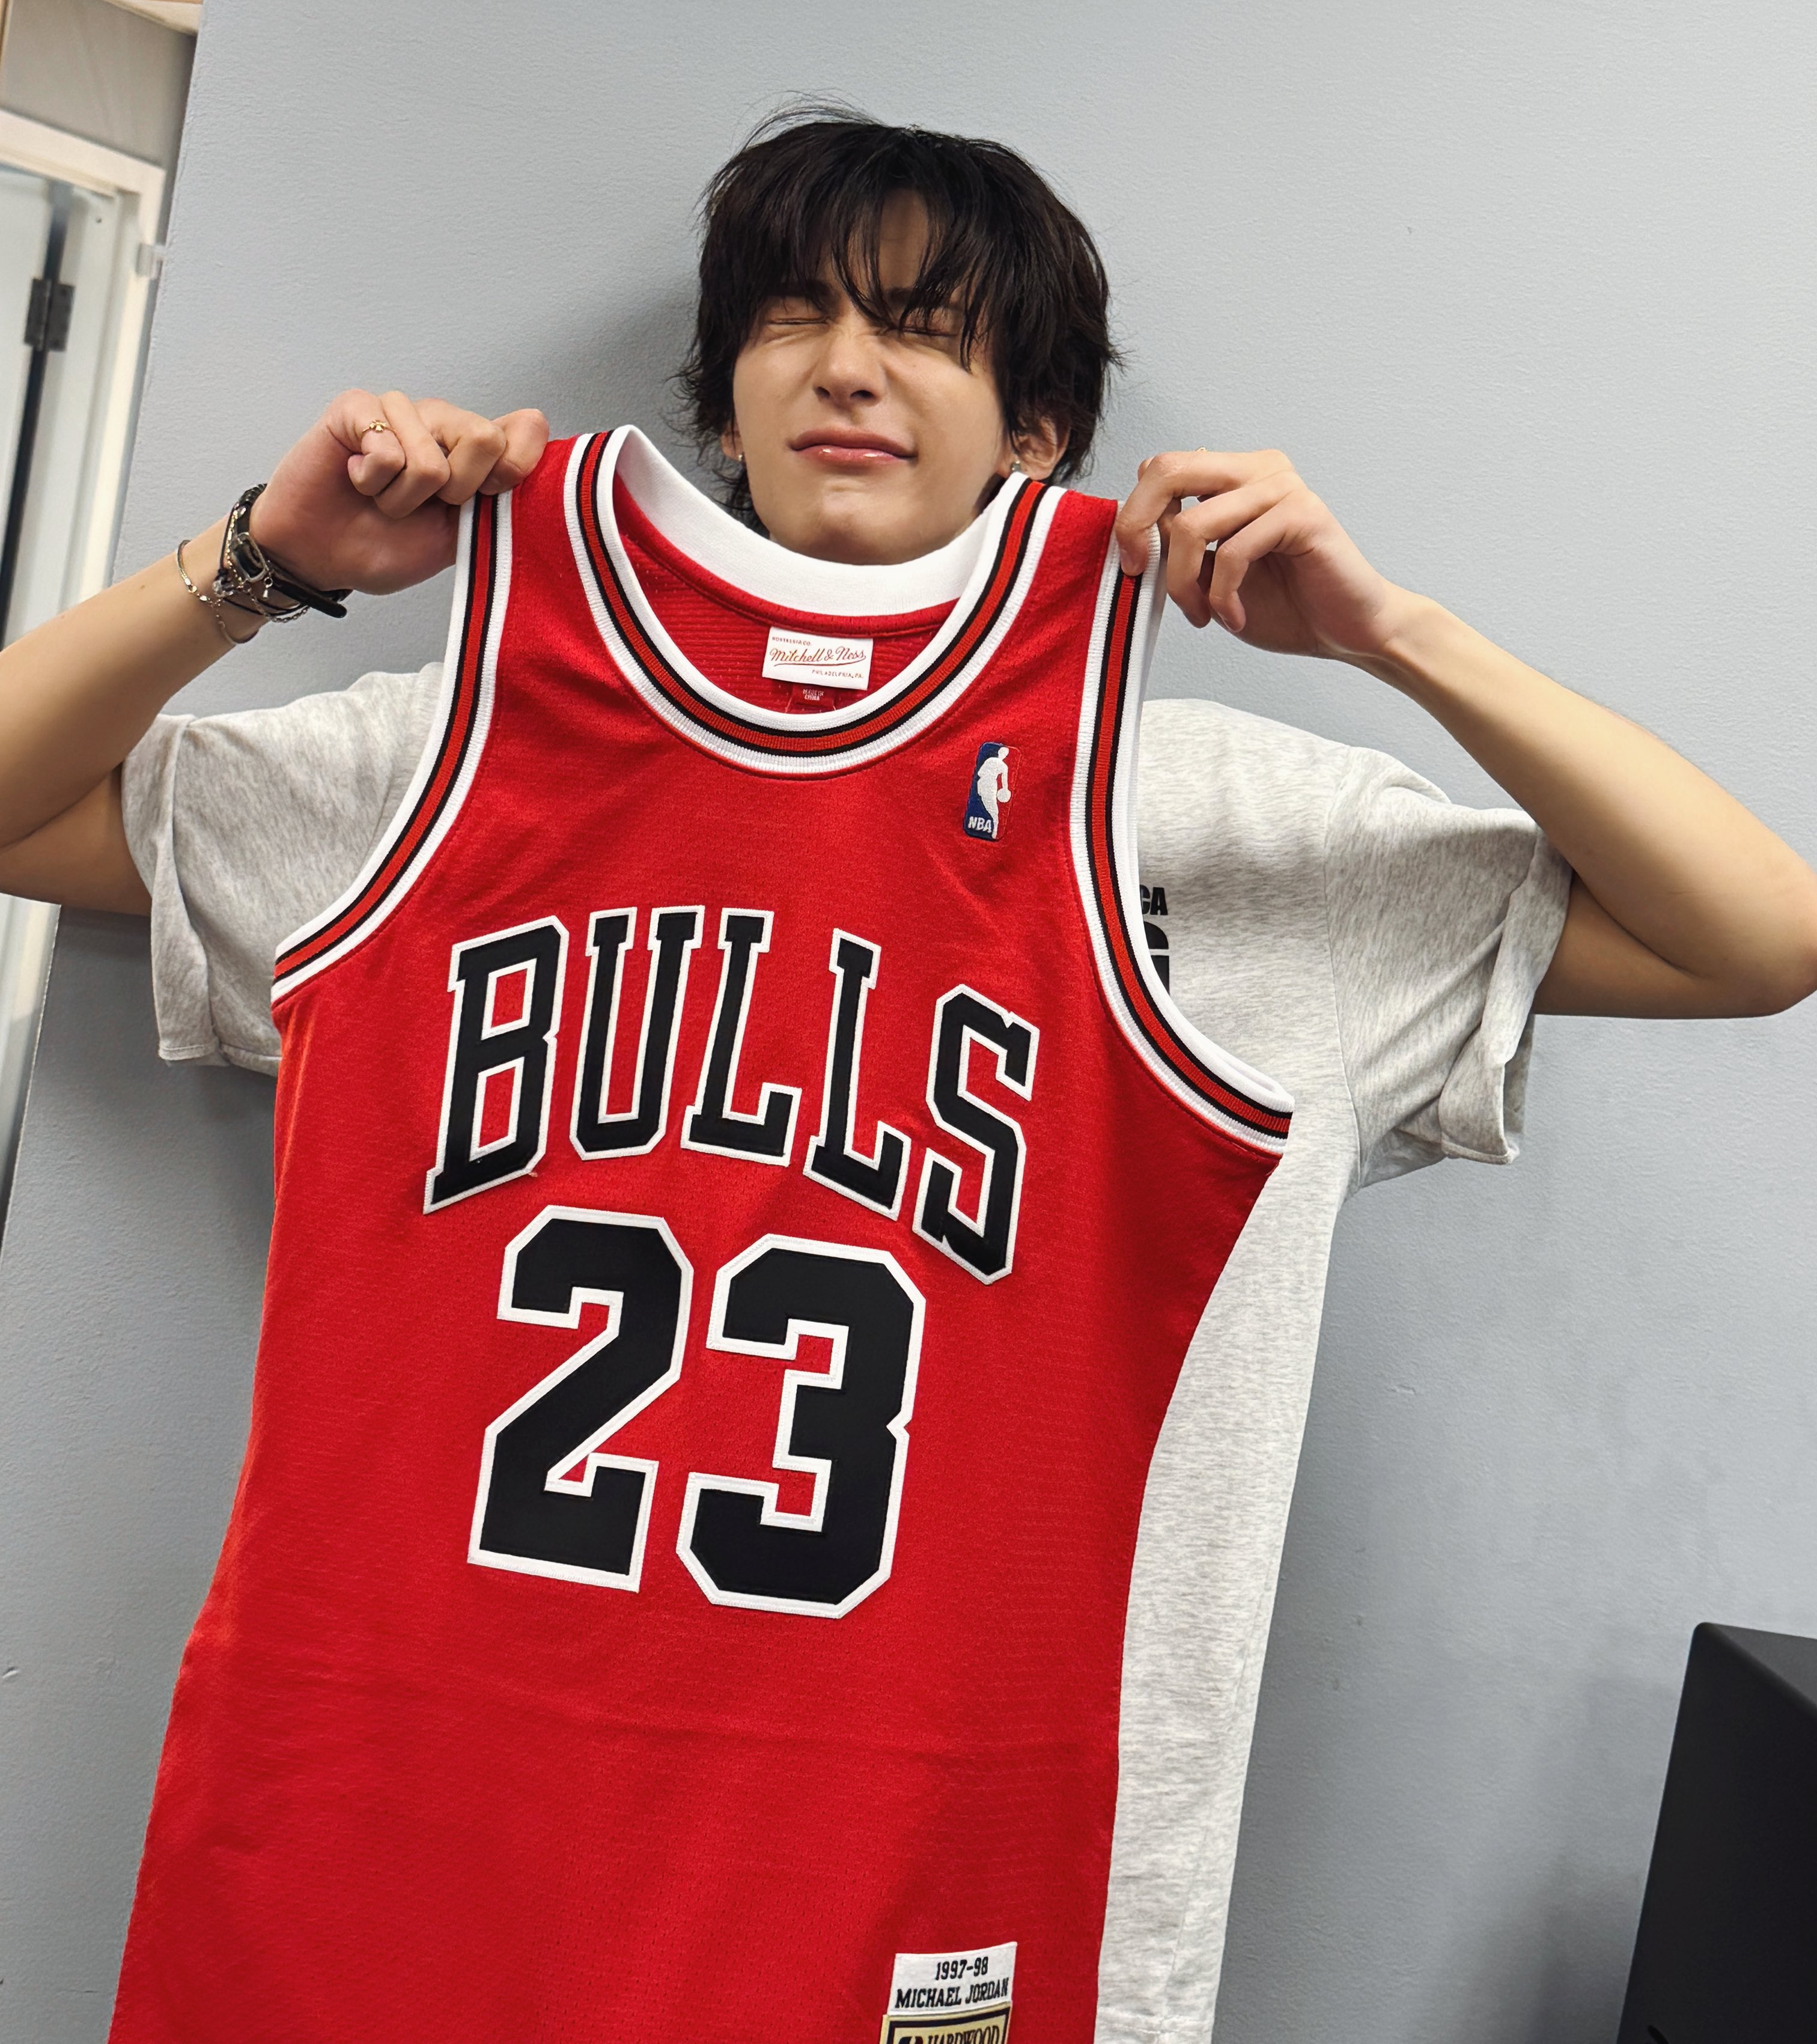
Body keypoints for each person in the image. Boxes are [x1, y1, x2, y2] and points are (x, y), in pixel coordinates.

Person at [1, 111, 1813, 2039]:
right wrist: (260, 565)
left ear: (1040, 429)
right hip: (427, 1853)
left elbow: (1755, 938)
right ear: (726, 395)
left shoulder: (1215, 818)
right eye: (793, 317)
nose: (847, 366)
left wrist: (1395, 639)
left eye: (928, 329)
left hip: (946, 1886)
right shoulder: (460, 745)